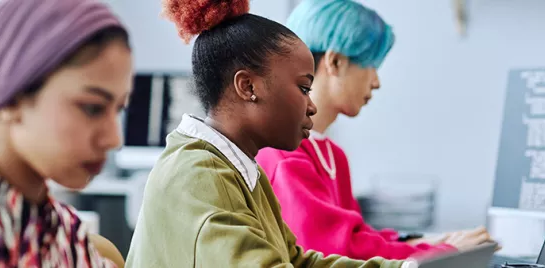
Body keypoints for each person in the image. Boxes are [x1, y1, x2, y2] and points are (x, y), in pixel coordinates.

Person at [125, 0, 415, 267]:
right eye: (303, 88)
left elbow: (297, 261)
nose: (312, 106)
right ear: (248, 87)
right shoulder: (197, 176)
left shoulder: (243, 173)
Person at [256, 0, 497, 261]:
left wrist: (425, 241)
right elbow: (336, 251)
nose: (376, 81)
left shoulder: (333, 155)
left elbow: (356, 235)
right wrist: (443, 251)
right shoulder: (283, 153)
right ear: (335, 62)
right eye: (371, 65)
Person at [0, 0, 133, 267]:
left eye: (118, 109)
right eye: (92, 108)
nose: (114, 139)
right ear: (11, 100)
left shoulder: (71, 238)